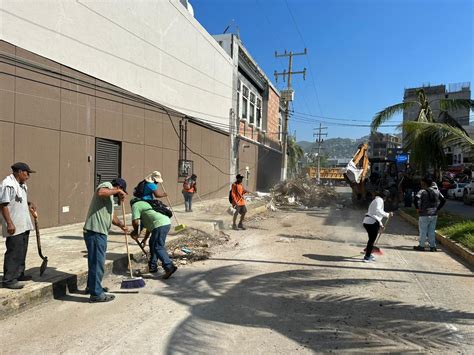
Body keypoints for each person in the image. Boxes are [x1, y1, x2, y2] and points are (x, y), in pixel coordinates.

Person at [83, 178, 128, 302]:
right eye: (122, 190)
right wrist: (118, 190)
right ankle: (96, 294)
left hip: (97, 232)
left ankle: (92, 287)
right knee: (98, 264)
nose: (121, 194)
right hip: (96, 232)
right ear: (118, 186)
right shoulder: (107, 186)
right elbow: (101, 192)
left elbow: (112, 217)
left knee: (94, 263)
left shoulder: (110, 199)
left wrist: (121, 225)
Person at [0, 163, 37, 289]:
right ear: (19, 172)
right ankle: (9, 280)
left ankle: (19, 274)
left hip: (23, 224)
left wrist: (29, 203)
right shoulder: (8, 185)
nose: (28, 176)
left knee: (22, 250)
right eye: (27, 173)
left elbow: (16, 200)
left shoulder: (21, 185)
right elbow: (3, 205)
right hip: (14, 225)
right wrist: (9, 223)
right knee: (14, 252)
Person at [130, 198, 177, 279]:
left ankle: (169, 266)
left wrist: (134, 231)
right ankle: (152, 266)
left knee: (158, 246)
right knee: (152, 243)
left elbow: (135, 221)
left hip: (159, 224)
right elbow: (149, 228)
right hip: (164, 223)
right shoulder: (146, 208)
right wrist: (145, 239)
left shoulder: (136, 205)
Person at [413, 177, 446, 252]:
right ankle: (432, 247)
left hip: (424, 214)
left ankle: (421, 246)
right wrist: (437, 209)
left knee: (423, 230)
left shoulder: (422, 191)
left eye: (422, 183)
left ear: (424, 183)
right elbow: (443, 200)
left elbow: (415, 200)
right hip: (434, 214)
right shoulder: (436, 191)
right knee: (431, 230)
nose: (421, 184)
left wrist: (418, 209)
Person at [362, 190, 393, 263]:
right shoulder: (379, 200)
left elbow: (375, 215)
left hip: (368, 221)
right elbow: (378, 211)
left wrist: (381, 225)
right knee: (371, 240)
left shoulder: (376, 200)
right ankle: (367, 257)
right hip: (372, 222)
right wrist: (387, 214)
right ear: (385, 196)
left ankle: (368, 254)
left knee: (371, 240)